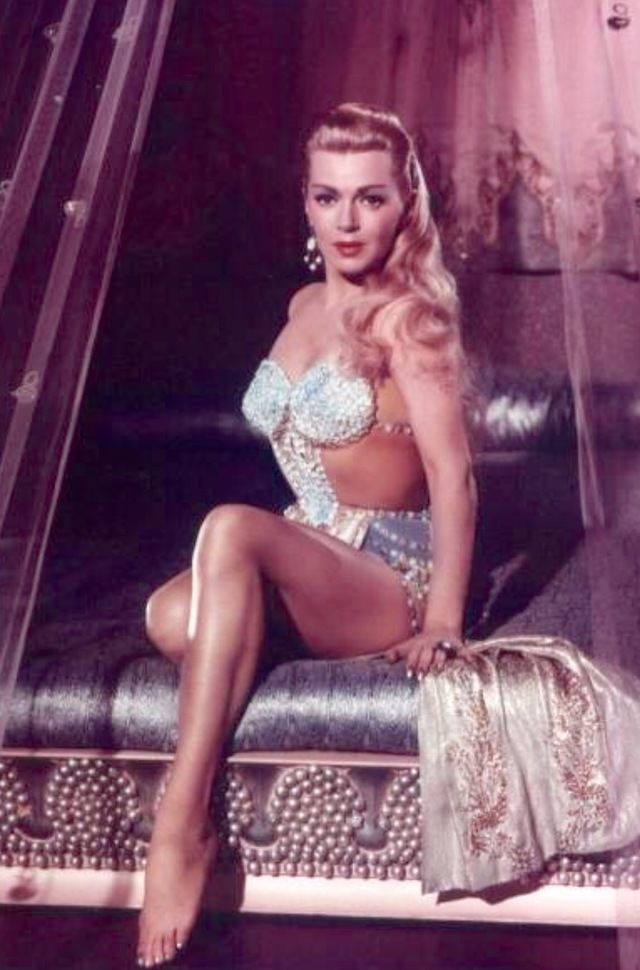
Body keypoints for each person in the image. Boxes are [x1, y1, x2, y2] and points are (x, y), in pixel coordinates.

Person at [136, 102, 477, 967]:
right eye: (329, 197)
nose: (348, 220)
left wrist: (443, 619)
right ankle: (248, 641)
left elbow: (455, 476)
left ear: (405, 205)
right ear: (307, 204)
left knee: (228, 527)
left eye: (370, 198)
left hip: (387, 573)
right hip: (313, 550)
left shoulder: (409, 320)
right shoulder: (300, 305)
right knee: (168, 619)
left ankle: (181, 824)